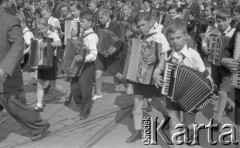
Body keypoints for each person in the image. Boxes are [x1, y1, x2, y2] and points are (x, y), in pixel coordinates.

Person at [153, 18, 215, 147]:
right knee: (173, 124)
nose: (174, 41)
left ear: (185, 36)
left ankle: (191, 135)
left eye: (178, 37)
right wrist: (155, 75)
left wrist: (211, 89)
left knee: (189, 124)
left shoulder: (193, 55)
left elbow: (205, 74)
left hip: (190, 97)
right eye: (171, 39)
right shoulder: (167, 54)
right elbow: (159, 68)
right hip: (171, 96)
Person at [0, 0, 50, 141]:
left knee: (16, 107)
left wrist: (6, 67)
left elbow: (18, 44)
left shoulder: (10, 20)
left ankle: (39, 126)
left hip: (5, 76)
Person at [126, 12, 170, 143]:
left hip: (153, 75)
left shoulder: (159, 36)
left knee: (156, 102)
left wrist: (155, 58)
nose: (140, 28)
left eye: (143, 25)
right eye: (138, 26)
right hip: (139, 76)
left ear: (151, 22)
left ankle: (167, 116)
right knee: (137, 101)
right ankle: (138, 131)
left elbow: (166, 56)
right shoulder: (140, 37)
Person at [93, 7, 127, 101]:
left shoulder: (115, 25)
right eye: (98, 18)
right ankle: (98, 93)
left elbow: (120, 40)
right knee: (98, 73)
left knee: (116, 74)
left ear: (107, 16)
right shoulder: (99, 26)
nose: (99, 20)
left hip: (113, 55)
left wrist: (114, 48)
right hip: (101, 53)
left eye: (101, 17)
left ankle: (127, 85)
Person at [70, 11, 98, 120]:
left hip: (87, 66)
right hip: (78, 64)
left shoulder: (92, 36)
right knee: (74, 87)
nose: (80, 23)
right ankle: (82, 103)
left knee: (85, 88)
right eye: (80, 21)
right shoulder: (81, 33)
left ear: (90, 22)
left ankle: (85, 110)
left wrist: (83, 59)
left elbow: (94, 54)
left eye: (82, 21)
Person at [35, 18, 67, 112]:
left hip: (50, 61)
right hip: (41, 61)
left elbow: (59, 43)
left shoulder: (52, 34)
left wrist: (47, 44)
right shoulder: (39, 36)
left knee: (53, 84)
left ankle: (67, 92)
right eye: (39, 29)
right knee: (39, 84)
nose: (40, 31)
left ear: (47, 27)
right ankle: (39, 105)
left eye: (42, 28)